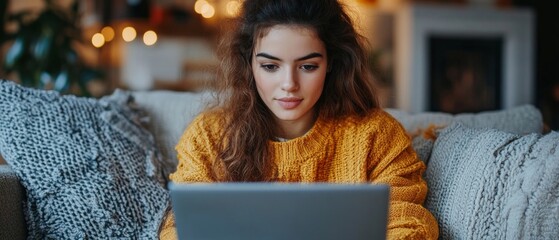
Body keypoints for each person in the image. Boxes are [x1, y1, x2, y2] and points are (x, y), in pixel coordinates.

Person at [159, 0, 439, 239]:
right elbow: (178, 229)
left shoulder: (377, 136)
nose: (289, 84)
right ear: (249, 65)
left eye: (307, 66)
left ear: (331, 63)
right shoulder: (208, 137)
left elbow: (410, 222)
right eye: (270, 66)